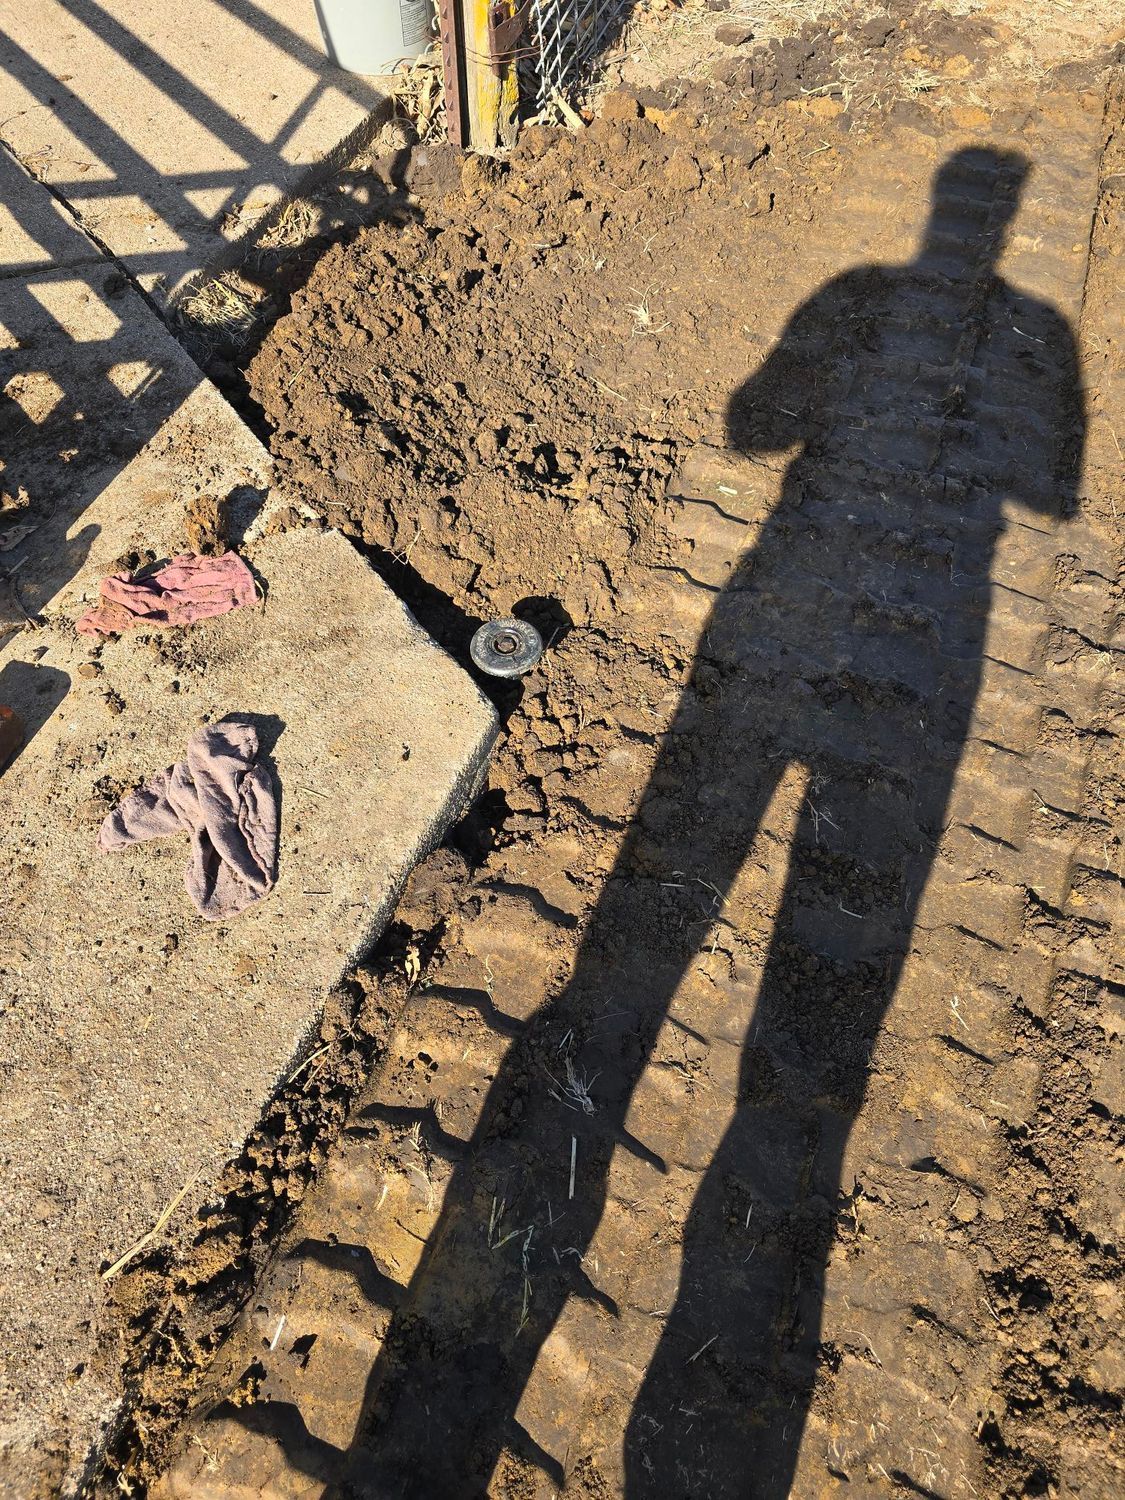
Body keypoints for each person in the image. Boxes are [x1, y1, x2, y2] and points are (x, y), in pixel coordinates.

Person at [331, 145, 1084, 1498]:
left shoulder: (874, 294)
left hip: (793, 576)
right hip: (946, 608)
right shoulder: (1039, 331)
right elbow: (1050, 491)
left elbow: (748, 425)